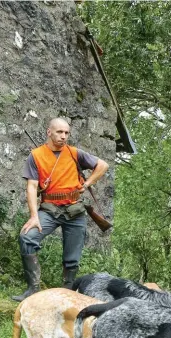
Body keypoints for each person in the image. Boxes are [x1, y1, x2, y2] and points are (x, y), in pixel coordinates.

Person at [12, 118, 109, 302]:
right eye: (59, 132)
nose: (63, 136)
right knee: (27, 237)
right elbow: (32, 187)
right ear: (49, 132)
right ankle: (33, 289)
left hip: (75, 211)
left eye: (66, 133)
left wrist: (87, 183)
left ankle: (67, 294)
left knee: (72, 259)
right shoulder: (36, 155)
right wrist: (34, 216)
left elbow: (103, 165)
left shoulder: (74, 153)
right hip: (49, 209)